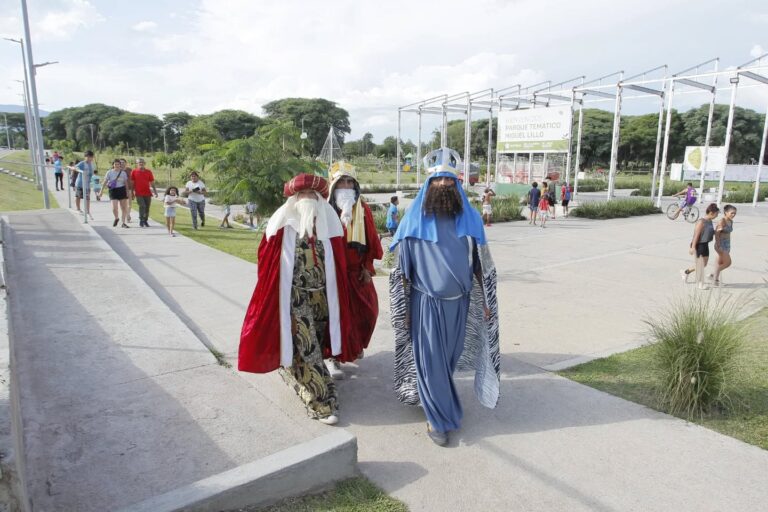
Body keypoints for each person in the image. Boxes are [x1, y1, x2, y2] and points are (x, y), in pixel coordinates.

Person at [389, 147, 500, 446]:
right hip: (425, 305)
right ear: (428, 186)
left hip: (460, 304)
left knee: (447, 361)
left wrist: (487, 303)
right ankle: (437, 420)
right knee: (432, 362)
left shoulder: (472, 220)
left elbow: (481, 266)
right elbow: (401, 273)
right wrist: (404, 311)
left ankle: (434, 399)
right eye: (437, 182)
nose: (443, 187)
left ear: (457, 186)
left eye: (449, 182)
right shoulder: (412, 223)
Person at [239, 173, 357, 425]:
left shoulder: (329, 226)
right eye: (302, 194)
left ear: (319, 198)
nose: (307, 199)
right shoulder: (281, 227)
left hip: (324, 298)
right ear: (293, 198)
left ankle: (298, 374)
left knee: (315, 345)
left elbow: (340, 263)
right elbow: (267, 265)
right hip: (294, 300)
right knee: (308, 348)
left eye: (312, 195)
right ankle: (321, 402)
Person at [327, 168, 384, 378]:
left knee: (368, 311)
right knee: (336, 317)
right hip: (333, 274)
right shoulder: (325, 210)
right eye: (342, 182)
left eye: (350, 182)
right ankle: (334, 358)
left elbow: (371, 240)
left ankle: (356, 344)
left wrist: (368, 268)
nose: (346, 187)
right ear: (333, 186)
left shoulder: (364, 209)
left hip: (357, 273)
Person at [680, 203, 719, 290]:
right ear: (711, 213)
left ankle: (686, 272)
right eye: (716, 214)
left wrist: (717, 231)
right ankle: (700, 284)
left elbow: (709, 232)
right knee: (701, 265)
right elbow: (696, 235)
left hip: (705, 244)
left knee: (703, 264)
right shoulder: (701, 222)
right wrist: (692, 247)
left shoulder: (709, 221)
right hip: (699, 244)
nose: (717, 216)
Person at [713, 204, 737, 286]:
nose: (733, 215)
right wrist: (718, 245)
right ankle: (713, 275)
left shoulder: (731, 221)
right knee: (728, 263)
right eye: (732, 213)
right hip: (721, 244)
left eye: (735, 213)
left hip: (727, 244)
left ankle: (715, 280)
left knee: (720, 262)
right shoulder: (722, 221)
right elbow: (716, 233)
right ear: (726, 212)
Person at [130, 158, 158, 227]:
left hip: (147, 192)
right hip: (138, 192)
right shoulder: (134, 172)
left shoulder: (148, 172)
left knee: (147, 207)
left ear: (144, 163)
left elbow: (152, 182)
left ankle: (145, 220)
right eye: (139, 162)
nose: (141, 163)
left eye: (142, 162)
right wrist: (132, 192)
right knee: (142, 206)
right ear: (137, 164)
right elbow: (132, 183)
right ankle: (141, 220)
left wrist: (155, 192)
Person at [104, 160, 131, 228]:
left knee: (123, 208)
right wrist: (101, 191)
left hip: (122, 189)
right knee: (114, 208)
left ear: (120, 165)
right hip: (113, 190)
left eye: (118, 164)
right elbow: (105, 181)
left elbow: (126, 183)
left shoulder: (123, 173)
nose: (117, 165)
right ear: (113, 165)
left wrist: (127, 192)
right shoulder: (109, 172)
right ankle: (116, 218)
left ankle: (123, 223)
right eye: (115, 164)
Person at [75, 151, 95, 215]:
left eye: (91, 157)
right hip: (80, 183)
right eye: (88, 157)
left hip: (88, 184)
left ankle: (87, 210)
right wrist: (77, 169)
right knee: (78, 196)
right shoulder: (82, 163)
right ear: (85, 157)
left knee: (87, 197)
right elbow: (75, 167)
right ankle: (78, 208)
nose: (90, 158)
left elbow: (92, 174)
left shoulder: (92, 164)